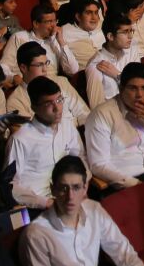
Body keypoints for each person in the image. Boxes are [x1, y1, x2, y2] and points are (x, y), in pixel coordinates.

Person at [21, 156, 144, 266]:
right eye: (63, 188)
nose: (70, 197)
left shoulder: (94, 210)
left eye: (76, 188)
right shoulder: (36, 234)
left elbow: (122, 251)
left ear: (85, 188)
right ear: (53, 189)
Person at [84, 63, 144, 189]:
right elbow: (98, 165)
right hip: (125, 183)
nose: (140, 94)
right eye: (133, 88)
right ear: (121, 89)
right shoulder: (101, 114)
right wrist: (135, 184)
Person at [6, 76, 85, 210]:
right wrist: (45, 203)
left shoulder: (67, 126)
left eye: (59, 100)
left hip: (68, 198)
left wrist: (82, 186)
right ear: (34, 107)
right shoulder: (20, 139)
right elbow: (10, 185)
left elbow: (80, 158)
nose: (58, 108)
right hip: (37, 206)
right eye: (49, 103)